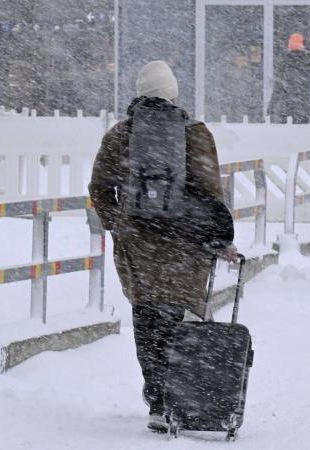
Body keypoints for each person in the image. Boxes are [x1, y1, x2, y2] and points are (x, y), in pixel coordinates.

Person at [88, 60, 239, 431]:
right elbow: (210, 192)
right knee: (180, 317)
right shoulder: (196, 133)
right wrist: (218, 239)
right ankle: (183, 397)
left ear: (140, 93)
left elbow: (99, 188)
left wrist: (118, 224)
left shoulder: (120, 134)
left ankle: (157, 398)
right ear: (172, 93)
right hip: (185, 244)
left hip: (138, 243)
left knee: (147, 316)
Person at [269, 33, 310, 124]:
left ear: (290, 44)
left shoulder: (284, 62)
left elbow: (278, 87)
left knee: (288, 130)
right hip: (305, 105)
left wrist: (271, 108)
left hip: (288, 105)